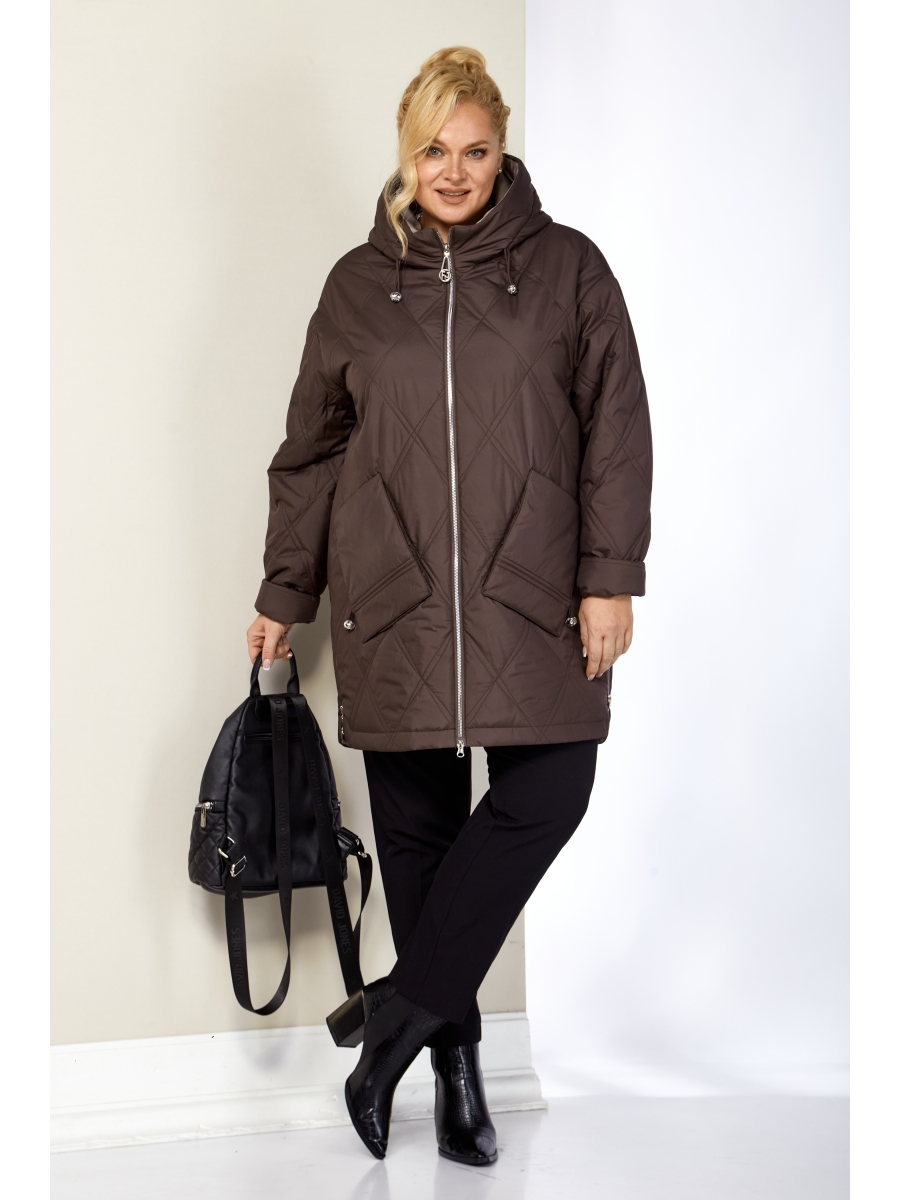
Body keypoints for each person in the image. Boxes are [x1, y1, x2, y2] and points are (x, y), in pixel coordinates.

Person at [247, 47, 652, 1166]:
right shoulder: (354, 287)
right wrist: (285, 591)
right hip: (395, 594)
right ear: (406, 150)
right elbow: (311, 454)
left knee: (552, 787)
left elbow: (617, 427)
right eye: (434, 149)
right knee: (419, 841)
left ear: (502, 149)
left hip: (535, 593)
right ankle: (455, 1074)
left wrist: (609, 577)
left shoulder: (569, 270)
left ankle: (392, 1020)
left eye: (475, 150)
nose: (455, 171)